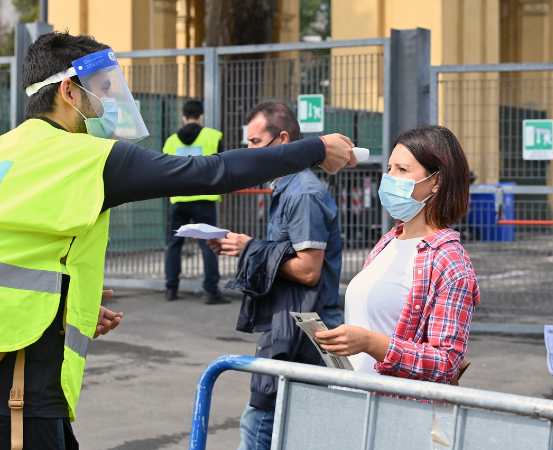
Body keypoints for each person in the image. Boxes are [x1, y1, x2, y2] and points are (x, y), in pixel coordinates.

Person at [0, 32, 355, 450]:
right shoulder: (87, 158)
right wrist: (312, 148)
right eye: (100, 90)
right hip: (24, 378)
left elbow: (23, 251)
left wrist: (64, 306)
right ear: (67, 90)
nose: (107, 103)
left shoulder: (8, 150)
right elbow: (210, 172)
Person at [208, 101, 343, 450]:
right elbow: (281, 255)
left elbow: (309, 270)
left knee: (259, 426)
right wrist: (243, 248)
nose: (250, 152)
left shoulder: (304, 193)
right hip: (286, 329)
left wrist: (250, 247)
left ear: (282, 140)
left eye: (255, 143)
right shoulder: (287, 189)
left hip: (300, 336)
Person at [314, 125, 480, 384]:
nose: (389, 178)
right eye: (389, 169)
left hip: (399, 411)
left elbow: (446, 362)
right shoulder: (389, 241)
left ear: (436, 181)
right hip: (356, 400)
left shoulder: (449, 261)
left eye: (402, 170)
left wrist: (371, 343)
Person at [163, 99, 227, 304]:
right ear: (201, 116)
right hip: (204, 198)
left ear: (183, 116)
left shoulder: (171, 141)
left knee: (174, 245)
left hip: (179, 198)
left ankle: (170, 289)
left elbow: (163, 170)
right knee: (208, 245)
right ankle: (211, 292)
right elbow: (223, 165)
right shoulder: (213, 136)